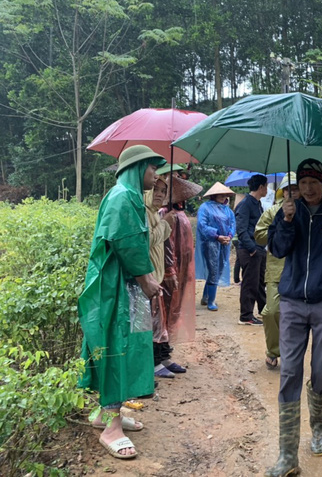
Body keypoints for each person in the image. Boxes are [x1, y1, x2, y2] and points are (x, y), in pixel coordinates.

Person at [265, 158, 322, 477]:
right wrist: (287, 221)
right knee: (290, 371)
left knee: (321, 371)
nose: (307, 188)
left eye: (313, 182)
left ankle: (319, 427)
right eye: (302, 183)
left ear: (321, 183)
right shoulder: (287, 210)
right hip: (291, 301)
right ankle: (287, 454)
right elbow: (277, 250)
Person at [78, 145, 166, 460]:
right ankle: (111, 428)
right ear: (136, 168)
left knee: (128, 346)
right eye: (152, 168)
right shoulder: (121, 198)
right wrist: (146, 280)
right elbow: (126, 243)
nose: (156, 176)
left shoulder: (128, 198)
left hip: (124, 287)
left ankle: (106, 412)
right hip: (113, 289)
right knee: (116, 348)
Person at [254, 174, 299, 370]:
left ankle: (293, 352)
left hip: (301, 271)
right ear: (283, 191)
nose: (292, 192)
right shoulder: (273, 211)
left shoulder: (308, 211)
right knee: (272, 311)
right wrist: (282, 223)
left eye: (295, 188)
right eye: (288, 189)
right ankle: (273, 350)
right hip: (276, 270)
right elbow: (259, 236)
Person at [159, 175, 201, 363]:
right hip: (171, 270)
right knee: (165, 312)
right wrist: (170, 270)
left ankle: (167, 352)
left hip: (182, 268)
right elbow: (166, 244)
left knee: (175, 311)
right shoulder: (164, 213)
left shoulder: (180, 213)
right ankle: (160, 356)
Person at [144, 176, 178, 379]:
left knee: (159, 321)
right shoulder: (143, 213)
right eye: (155, 190)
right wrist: (165, 224)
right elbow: (146, 240)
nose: (159, 194)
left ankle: (161, 359)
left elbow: (162, 243)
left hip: (157, 273)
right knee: (150, 323)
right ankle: (152, 364)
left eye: (163, 191)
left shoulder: (155, 214)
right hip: (146, 277)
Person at [195, 182, 236, 311]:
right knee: (213, 270)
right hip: (210, 243)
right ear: (214, 195)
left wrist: (229, 235)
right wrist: (217, 236)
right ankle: (211, 301)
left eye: (225, 194)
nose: (223, 196)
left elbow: (233, 224)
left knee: (218, 270)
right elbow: (202, 225)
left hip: (224, 244)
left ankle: (206, 296)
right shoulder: (205, 208)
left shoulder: (228, 210)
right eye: (220, 194)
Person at [236, 174, 268, 325]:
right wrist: (252, 248)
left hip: (259, 248)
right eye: (266, 186)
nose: (267, 189)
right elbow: (241, 230)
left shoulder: (258, 204)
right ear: (261, 187)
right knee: (250, 283)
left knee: (261, 282)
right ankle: (246, 316)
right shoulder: (245, 204)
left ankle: (264, 310)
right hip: (250, 250)